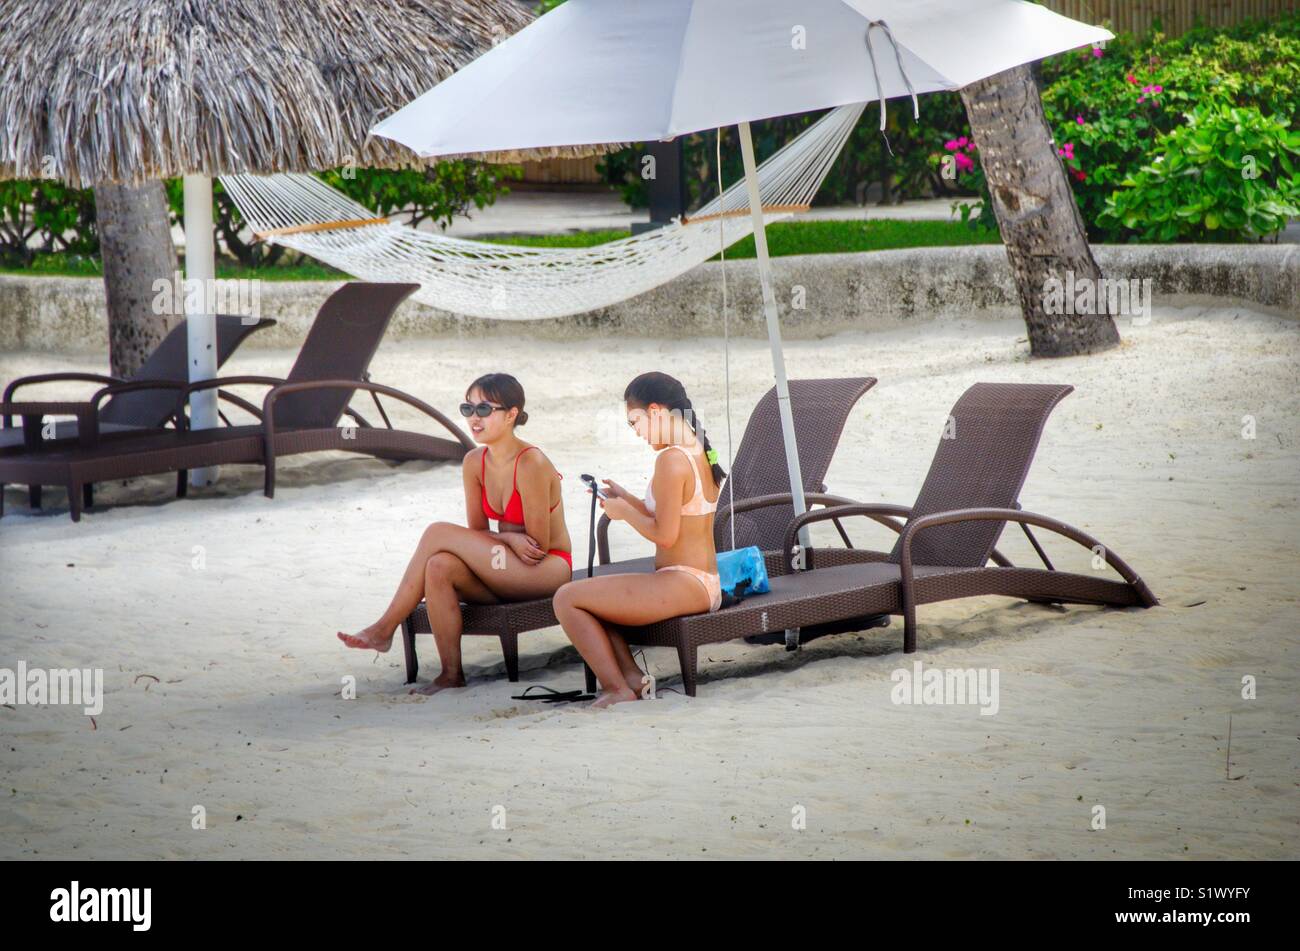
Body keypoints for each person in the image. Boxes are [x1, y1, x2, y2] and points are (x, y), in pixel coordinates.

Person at [339, 373, 571, 694]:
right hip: (503, 565)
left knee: (437, 533)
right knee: (439, 566)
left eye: (485, 409)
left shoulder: (531, 463)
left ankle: (383, 628)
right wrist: (507, 538)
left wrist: (507, 541)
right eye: (468, 409)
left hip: (545, 568)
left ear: (512, 414)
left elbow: (537, 545)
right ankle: (451, 674)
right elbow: (478, 534)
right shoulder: (474, 462)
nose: (474, 418)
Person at [553, 371, 723, 707]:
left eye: (635, 423)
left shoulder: (671, 459)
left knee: (566, 599)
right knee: (592, 597)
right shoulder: (696, 449)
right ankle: (632, 679)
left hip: (685, 582)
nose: (637, 433)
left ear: (656, 411)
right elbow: (672, 515)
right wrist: (626, 499)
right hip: (698, 581)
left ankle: (617, 689)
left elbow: (666, 534)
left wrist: (624, 514)